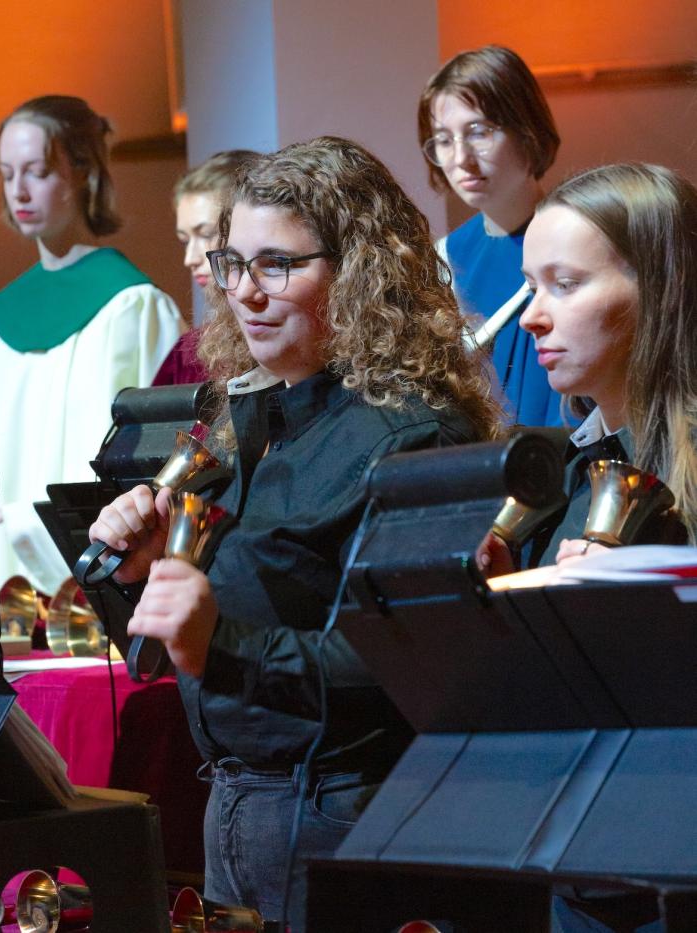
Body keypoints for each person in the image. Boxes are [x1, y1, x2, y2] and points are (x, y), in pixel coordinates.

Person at [88, 136, 503, 931]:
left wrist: (221, 640)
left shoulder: (415, 435)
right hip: (237, 807)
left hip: (347, 814)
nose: (243, 291)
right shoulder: (240, 423)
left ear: (359, 274)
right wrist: (141, 576)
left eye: (277, 264)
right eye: (232, 262)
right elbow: (165, 651)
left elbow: (414, 660)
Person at [479, 162, 697, 933]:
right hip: (581, 870)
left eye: (564, 285)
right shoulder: (563, 478)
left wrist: (644, 601)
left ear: (660, 290)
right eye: (531, 287)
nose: (532, 317)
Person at [0, 95, 184, 594]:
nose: (18, 190)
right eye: (6, 172)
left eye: (36, 171)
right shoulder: (3, 313)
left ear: (82, 170)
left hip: (100, 573)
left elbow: (151, 457)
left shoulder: (132, 306)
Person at [418, 45, 566, 427]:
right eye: (444, 140)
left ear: (527, 130)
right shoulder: (445, 259)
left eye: (479, 132)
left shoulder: (577, 241)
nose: (461, 158)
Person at [153, 149, 260, 386]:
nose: (190, 258)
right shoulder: (188, 354)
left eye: (206, 234)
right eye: (184, 240)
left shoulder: (278, 336)